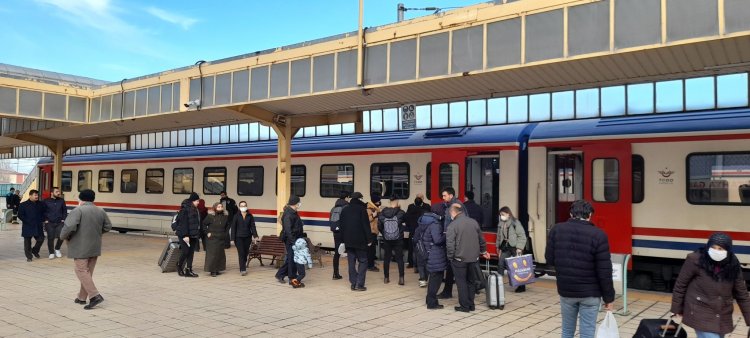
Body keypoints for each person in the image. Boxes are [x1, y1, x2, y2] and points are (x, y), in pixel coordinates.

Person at [545, 200, 614, 338]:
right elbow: (604, 271)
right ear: (590, 215)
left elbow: (550, 259)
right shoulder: (599, 235)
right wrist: (609, 298)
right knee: (587, 332)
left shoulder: (557, 230)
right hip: (590, 294)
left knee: (566, 331)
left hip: (566, 290)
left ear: (571, 214)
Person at [671, 232, 750, 338]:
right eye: (713, 247)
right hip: (699, 310)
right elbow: (681, 284)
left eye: (721, 249)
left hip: (722, 314)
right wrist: (676, 309)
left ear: (728, 250)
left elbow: (742, 294)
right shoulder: (695, 259)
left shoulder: (733, 264)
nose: (716, 251)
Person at [60, 189, 112, 310]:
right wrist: (97, 234)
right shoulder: (100, 211)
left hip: (80, 246)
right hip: (95, 246)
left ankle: (95, 296)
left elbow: (68, 227)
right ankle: (82, 297)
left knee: (81, 271)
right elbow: (108, 226)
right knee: (87, 272)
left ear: (81, 199)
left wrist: (63, 236)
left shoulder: (78, 210)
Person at [446, 204, 489, 312]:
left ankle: (464, 306)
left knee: (461, 283)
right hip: (474, 258)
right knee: (471, 282)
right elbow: (481, 239)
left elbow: (450, 244)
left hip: (459, 259)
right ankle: (471, 305)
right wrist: (483, 251)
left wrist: (450, 257)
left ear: (453, 212)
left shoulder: (453, 225)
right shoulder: (473, 222)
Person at [341, 192, 371, 291]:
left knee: (351, 262)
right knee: (363, 261)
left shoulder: (345, 210)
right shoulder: (362, 210)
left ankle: (353, 283)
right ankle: (359, 284)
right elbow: (366, 226)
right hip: (360, 241)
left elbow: (342, 226)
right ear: (360, 199)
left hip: (348, 241)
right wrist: (369, 239)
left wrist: (343, 240)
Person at [438, 187, 464, 299]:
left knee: (452, 266)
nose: (443, 198)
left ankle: (448, 291)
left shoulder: (457, 206)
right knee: (450, 267)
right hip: (451, 239)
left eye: (444, 195)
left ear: (451, 195)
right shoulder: (449, 205)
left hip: (454, 240)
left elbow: (462, 222)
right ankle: (447, 291)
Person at [495, 206, 528, 293]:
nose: (501, 216)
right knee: (500, 264)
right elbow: (498, 237)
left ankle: (521, 286)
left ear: (508, 214)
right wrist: (498, 247)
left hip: (514, 247)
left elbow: (522, 236)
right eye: (500, 214)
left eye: (503, 214)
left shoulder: (515, 223)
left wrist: (519, 248)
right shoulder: (500, 224)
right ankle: (498, 283)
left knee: (517, 267)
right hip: (505, 247)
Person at [421, 211, 447, 309]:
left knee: (433, 278)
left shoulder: (425, 221)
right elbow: (437, 240)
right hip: (436, 254)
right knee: (436, 279)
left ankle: (429, 300)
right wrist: (445, 234)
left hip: (429, 253)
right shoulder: (435, 224)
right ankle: (432, 303)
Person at [275, 195, 304, 285]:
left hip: (295, 239)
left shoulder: (293, 212)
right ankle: (292, 277)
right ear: (295, 203)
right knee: (291, 259)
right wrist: (293, 242)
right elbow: (288, 230)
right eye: (298, 202)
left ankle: (280, 274)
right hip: (291, 240)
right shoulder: (288, 214)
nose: (300, 204)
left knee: (290, 258)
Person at [378, 197, 406, 285]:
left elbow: (379, 226)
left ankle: (386, 278)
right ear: (397, 202)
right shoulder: (401, 212)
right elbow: (405, 223)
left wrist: (384, 233)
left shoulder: (383, 213)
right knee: (399, 259)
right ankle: (401, 278)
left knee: (387, 258)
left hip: (387, 239)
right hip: (398, 239)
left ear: (389, 202)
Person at [176, 192, 201, 277]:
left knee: (191, 253)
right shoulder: (185, 209)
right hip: (184, 234)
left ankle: (188, 270)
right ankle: (179, 266)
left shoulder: (195, 209)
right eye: (197, 201)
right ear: (192, 201)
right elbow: (184, 223)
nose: (198, 202)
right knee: (186, 251)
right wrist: (185, 235)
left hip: (193, 234)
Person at [231, 201, 258, 276]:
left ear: (246, 206)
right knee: (241, 253)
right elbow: (233, 228)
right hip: (238, 237)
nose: (243, 207)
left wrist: (255, 235)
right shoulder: (236, 216)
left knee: (246, 252)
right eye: (241, 206)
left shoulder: (250, 216)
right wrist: (232, 239)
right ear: (239, 207)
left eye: (244, 205)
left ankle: (243, 263)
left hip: (247, 237)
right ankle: (242, 269)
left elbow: (253, 226)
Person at [19, 189, 46, 262]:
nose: (37, 196)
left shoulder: (41, 204)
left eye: (37, 195)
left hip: (38, 226)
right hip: (28, 226)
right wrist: (27, 221)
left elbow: (44, 213)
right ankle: (29, 257)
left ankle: (34, 251)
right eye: (35, 195)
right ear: (30, 196)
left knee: (41, 239)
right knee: (27, 243)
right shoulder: (23, 205)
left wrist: (42, 219)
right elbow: (20, 215)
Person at [405, 193, 430, 269]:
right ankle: (411, 263)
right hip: (416, 230)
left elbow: (407, 218)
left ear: (423, 198)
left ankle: (418, 264)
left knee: (420, 248)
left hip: (418, 230)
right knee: (411, 247)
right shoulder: (411, 206)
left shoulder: (427, 206)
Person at [203, 202, 228, 277]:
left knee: (220, 255)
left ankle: (218, 269)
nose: (220, 208)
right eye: (218, 207)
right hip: (212, 238)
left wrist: (225, 234)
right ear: (215, 208)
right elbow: (203, 224)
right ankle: (212, 270)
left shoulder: (225, 216)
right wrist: (207, 233)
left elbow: (227, 226)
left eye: (221, 206)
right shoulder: (210, 216)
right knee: (212, 255)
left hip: (221, 237)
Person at [329, 191, 349, 280]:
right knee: (351, 252)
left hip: (336, 233)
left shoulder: (333, 208)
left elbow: (330, 220)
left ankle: (335, 274)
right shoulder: (347, 207)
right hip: (344, 233)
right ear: (347, 197)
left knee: (337, 253)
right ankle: (353, 273)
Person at [44, 187, 68, 259]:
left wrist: (63, 219)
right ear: (52, 193)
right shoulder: (46, 201)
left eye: (59, 191)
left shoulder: (61, 201)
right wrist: (45, 219)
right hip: (49, 222)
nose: (58, 193)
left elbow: (64, 210)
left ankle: (57, 249)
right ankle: (51, 252)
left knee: (61, 236)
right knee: (50, 237)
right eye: (57, 192)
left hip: (60, 222)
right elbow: (42, 211)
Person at [366, 193, 381, 272]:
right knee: (370, 250)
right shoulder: (369, 209)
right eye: (378, 201)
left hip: (374, 232)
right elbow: (366, 220)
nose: (379, 203)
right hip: (370, 232)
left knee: (372, 250)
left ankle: (371, 263)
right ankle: (370, 266)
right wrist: (373, 216)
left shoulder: (375, 208)